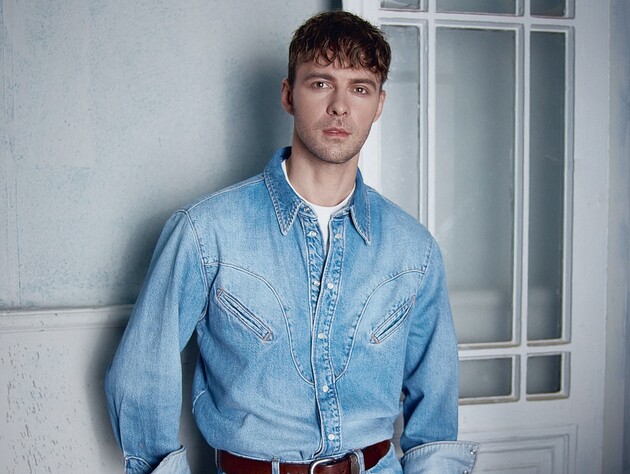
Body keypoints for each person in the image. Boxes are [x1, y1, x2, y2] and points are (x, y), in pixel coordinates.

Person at [105, 10, 478, 474]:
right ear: (288, 94)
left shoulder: (413, 250)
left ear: (379, 104)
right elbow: (141, 377)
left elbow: (435, 411)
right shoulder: (205, 232)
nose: (340, 106)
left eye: (360, 89)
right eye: (321, 83)